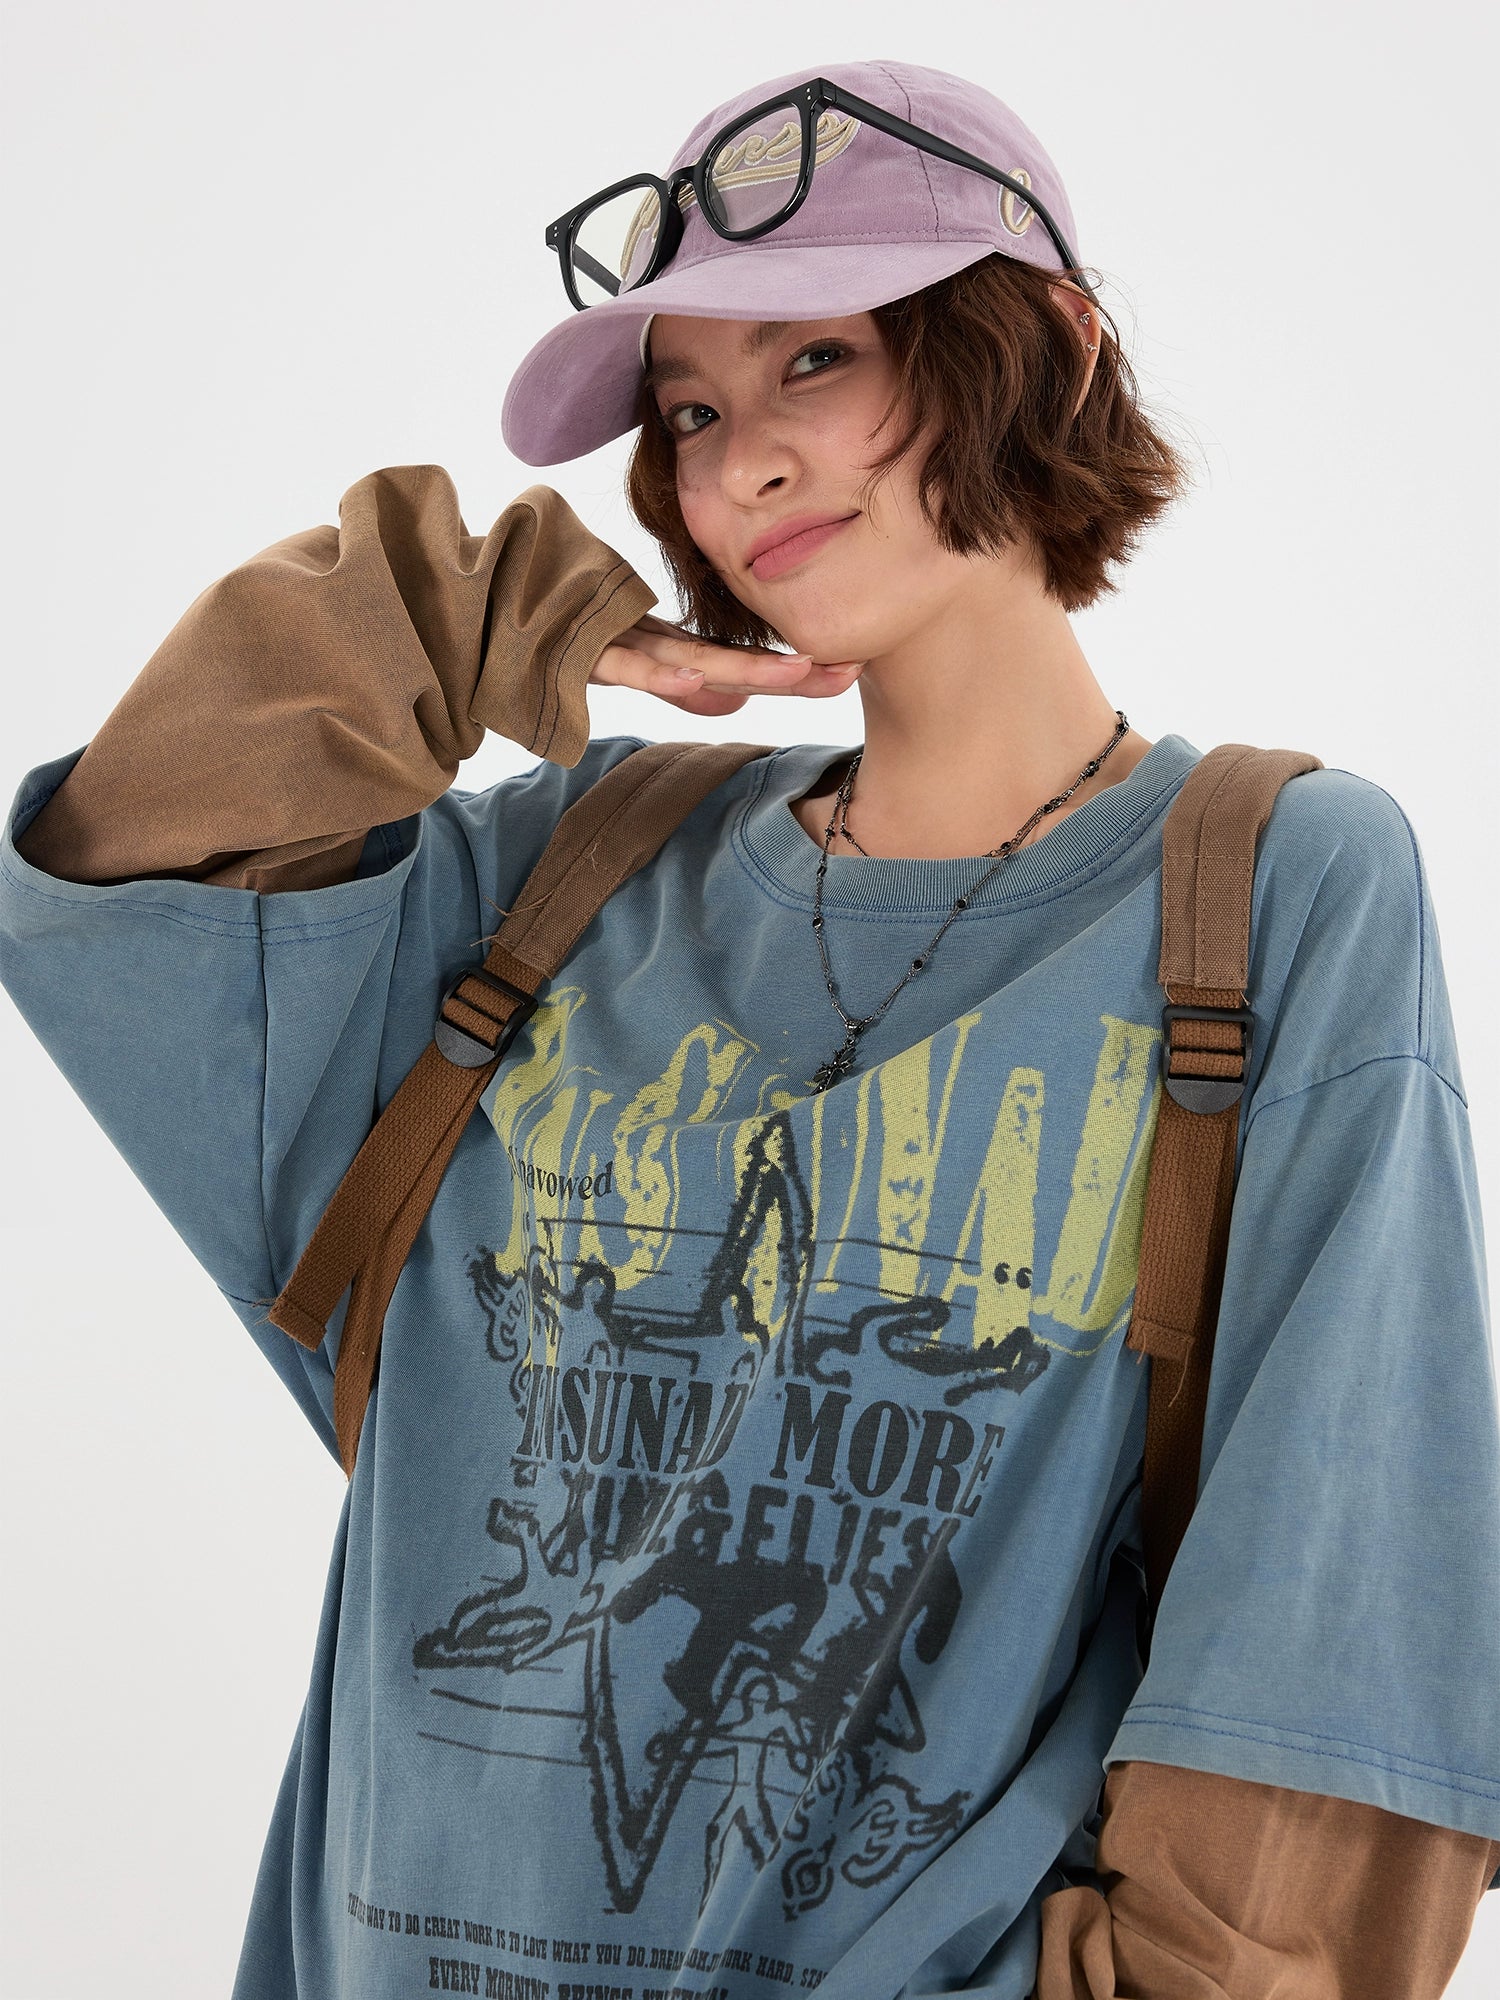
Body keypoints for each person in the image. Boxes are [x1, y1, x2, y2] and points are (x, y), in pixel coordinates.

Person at [2, 55, 1497, 2000]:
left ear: (1045, 342)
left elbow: (1339, 1613)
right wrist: (482, 623)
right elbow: (131, 856)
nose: (741, 467)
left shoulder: (1272, 886)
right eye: (694, 408)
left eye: (817, 359)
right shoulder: (566, 876)